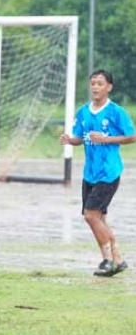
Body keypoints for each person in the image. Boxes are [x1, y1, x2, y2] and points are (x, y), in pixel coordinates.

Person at [59, 69, 135, 277]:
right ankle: (117, 259)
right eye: (92, 83)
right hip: (90, 173)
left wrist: (107, 139)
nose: (95, 87)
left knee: (90, 215)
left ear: (109, 87)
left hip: (109, 172)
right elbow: (80, 137)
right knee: (98, 218)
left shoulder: (116, 112)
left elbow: (131, 136)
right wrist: (69, 140)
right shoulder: (83, 112)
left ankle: (109, 260)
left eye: (100, 83)